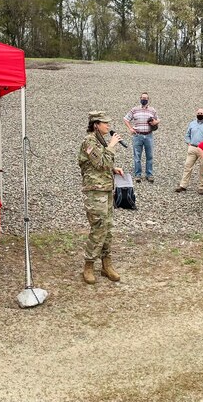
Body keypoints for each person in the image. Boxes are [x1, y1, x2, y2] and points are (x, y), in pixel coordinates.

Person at [78, 111, 125, 284]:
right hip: (94, 191)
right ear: (96, 124)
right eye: (105, 123)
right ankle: (88, 265)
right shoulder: (89, 141)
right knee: (98, 226)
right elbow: (100, 163)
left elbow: (102, 164)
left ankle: (106, 264)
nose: (108, 126)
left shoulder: (100, 141)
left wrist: (114, 169)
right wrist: (112, 145)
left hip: (105, 189)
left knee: (108, 227)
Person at [175, 108, 203, 194]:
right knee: (187, 166)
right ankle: (183, 185)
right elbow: (187, 135)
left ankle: (201, 187)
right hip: (192, 148)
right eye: (198, 113)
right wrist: (189, 143)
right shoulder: (192, 124)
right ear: (195, 113)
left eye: (201, 113)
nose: (200, 114)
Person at [123, 92, 159, 183]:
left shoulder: (152, 110)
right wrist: (130, 128)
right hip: (137, 135)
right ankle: (138, 175)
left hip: (149, 135)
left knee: (149, 156)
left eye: (146, 98)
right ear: (140, 98)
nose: (144, 99)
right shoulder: (134, 109)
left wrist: (155, 122)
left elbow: (158, 119)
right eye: (143, 98)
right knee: (137, 156)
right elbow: (126, 119)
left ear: (148, 99)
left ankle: (149, 174)